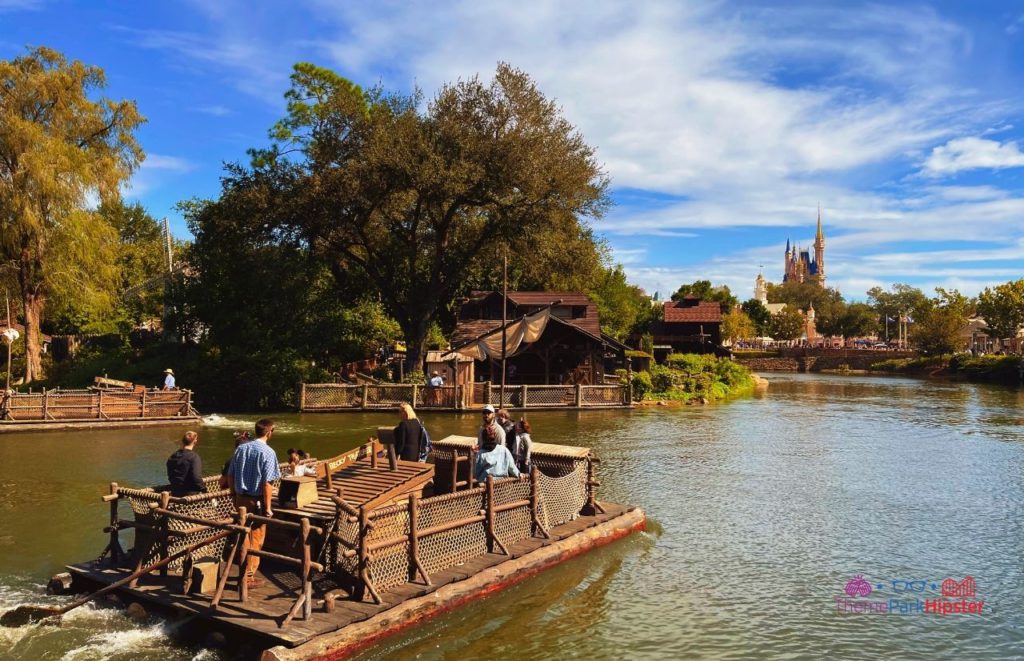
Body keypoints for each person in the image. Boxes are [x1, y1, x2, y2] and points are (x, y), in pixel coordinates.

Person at [226, 418, 281, 588]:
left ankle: (244, 571)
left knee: (243, 536)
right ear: (270, 432)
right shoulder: (268, 452)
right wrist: (268, 507)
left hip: (240, 498)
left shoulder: (241, 448)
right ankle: (248, 576)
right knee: (256, 538)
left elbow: (230, 475)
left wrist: (234, 495)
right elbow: (267, 483)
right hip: (256, 500)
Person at [166, 431, 207, 497]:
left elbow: (170, 475)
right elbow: (196, 477)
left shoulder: (172, 456)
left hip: (175, 492)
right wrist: (204, 489)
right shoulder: (194, 457)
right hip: (190, 495)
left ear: (183, 441)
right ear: (195, 441)